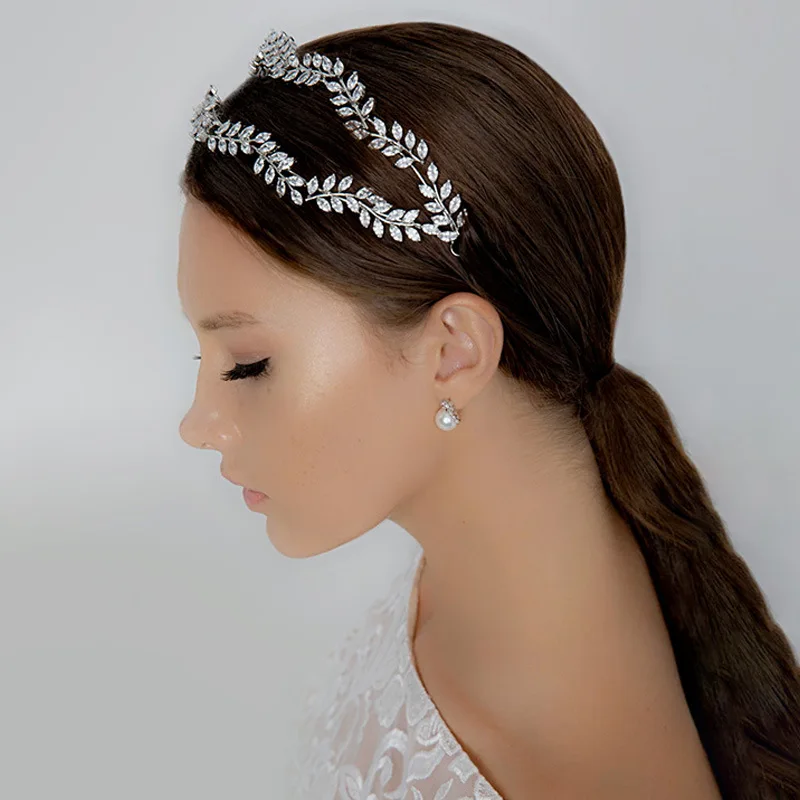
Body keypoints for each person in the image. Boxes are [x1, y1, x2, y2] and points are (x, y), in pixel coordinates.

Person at [176, 21, 800, 799]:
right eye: (201, 360)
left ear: (455, 352)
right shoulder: (477, 593)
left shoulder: (574, 760)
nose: (196, 425)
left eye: (248, 364)